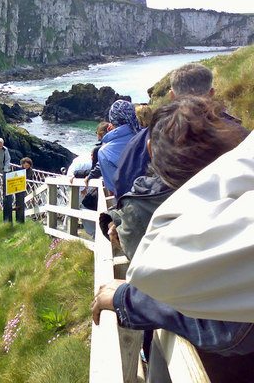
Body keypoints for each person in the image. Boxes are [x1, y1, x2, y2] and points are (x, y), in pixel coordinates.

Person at [91, 98, 251, 375]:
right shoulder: (239, 193)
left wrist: (128, 301)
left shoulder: (153, 207)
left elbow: (227, 330)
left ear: (151, 149)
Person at [114, 63, 219, 198]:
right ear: (211, 93)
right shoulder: (239, 134)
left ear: (171, 95)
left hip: (167, 212)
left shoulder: (147, 138)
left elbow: (124, 184)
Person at [96, 100, 140, 195]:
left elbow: (114, 188)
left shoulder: (104, 152)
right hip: (160, 194)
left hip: (131, 201)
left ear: (112, 122)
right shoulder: (148, 135)